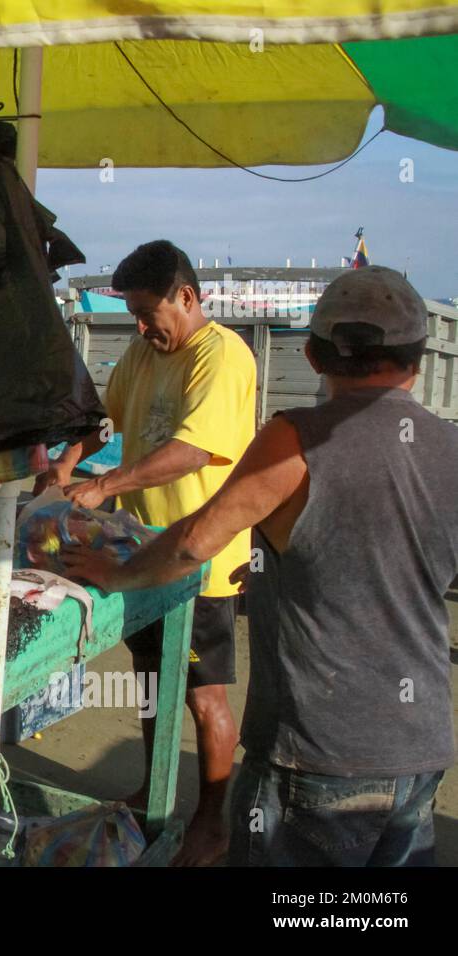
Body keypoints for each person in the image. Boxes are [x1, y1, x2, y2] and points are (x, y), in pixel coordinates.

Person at [62, 265, 457, 867]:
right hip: (421, 743)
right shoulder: (448, 448)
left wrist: (116, 574)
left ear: (315, 355)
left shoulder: (295, 437)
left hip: (319, 748)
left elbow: (196, 541)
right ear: (418, 361)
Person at [35, 240, 256, 866]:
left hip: (200, 557)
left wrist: (101, 485)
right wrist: (67, 463)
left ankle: (213, 819)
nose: (139, 326)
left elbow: (193, 449)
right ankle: (154, 787)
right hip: (141, 556)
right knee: (155, 682)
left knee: (205, 694)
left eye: (146, 311)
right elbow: (108, 422)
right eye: (130, 312)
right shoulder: (142, 350)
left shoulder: (222, 356)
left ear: (185, 297)